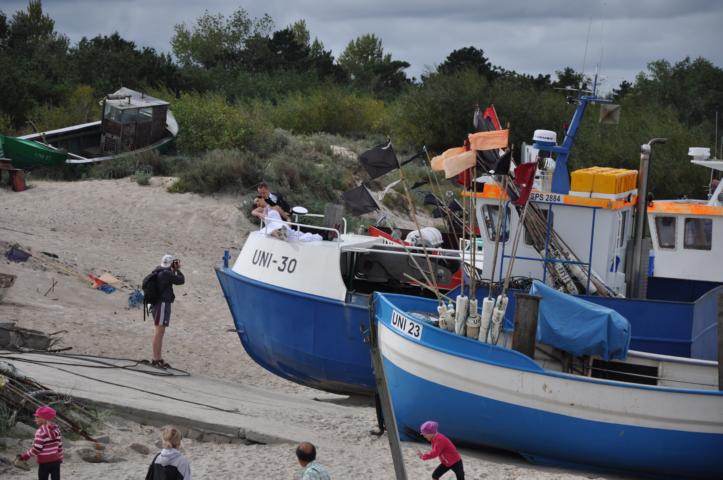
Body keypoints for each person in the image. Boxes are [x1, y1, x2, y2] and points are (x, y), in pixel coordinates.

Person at [150, 254, 185, 369]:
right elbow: (181, 280)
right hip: (162, 304)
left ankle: (158, 358)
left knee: (160, 331)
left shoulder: (157, 270)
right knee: (159, 331)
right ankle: (156, 359)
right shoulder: (166, 273)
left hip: (157, 304)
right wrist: (177, 269)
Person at [16, 405, 64, 480]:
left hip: (44, 463)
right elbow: (60, 445)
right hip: (56, 461)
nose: (35, 419)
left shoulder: (40, 432)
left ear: (44, 418)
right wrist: (60, 458)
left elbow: (37, 449)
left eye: (37, 417)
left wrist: (24, 457)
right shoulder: (57, 429)